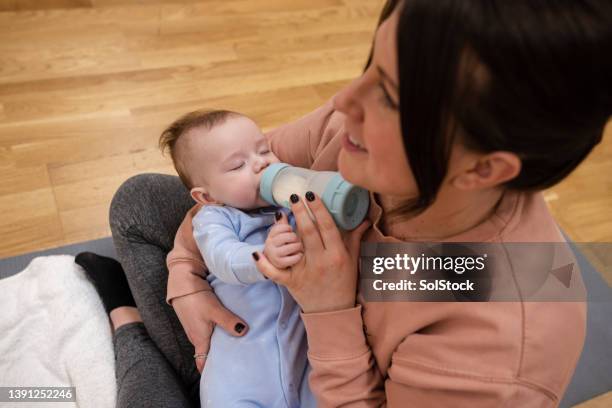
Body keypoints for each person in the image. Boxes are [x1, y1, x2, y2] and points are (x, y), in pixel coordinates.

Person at [91, 0, 611, 406]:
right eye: (372, 65)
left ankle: (126, 324)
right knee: (140, 200)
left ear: (484, 167)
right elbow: (228, 189)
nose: (344, 103)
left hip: (316, 379)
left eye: (390, 95)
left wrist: (329, 308)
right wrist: (186, 279)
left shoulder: (495, 332)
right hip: (255, 329)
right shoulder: (352, 132)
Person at [157, 109, 314, 407]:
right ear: (206, 197)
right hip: (239, 378)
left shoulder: (290, 203)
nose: (262, 163)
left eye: (264, 149)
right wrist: (263, 257)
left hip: (304, 366)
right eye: (238, 165)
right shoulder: (215, 218)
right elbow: (223, 258)